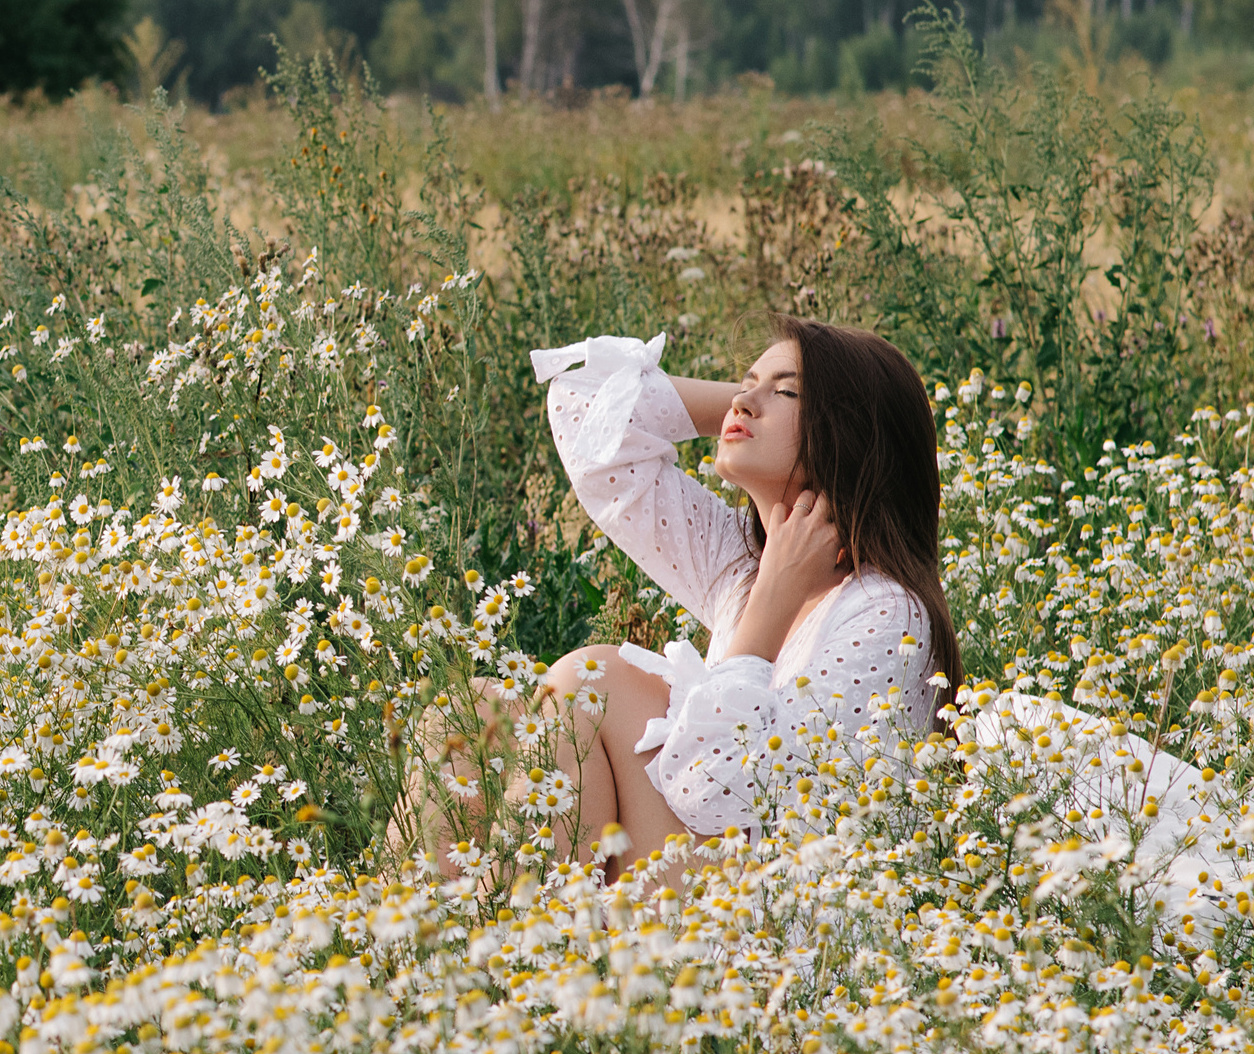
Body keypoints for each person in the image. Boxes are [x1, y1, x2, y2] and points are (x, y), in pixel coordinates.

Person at [409, 317, 961, 878]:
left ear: (851, 433)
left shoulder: (886, 612)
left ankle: (520, 927)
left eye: (788, 392)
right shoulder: (742, 564)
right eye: (745, 384)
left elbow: (722, 790)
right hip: (704, 868)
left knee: (595, 683)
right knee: (470, 710)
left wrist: (775, 596)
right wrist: (755, 407)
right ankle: (414, 926)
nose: (742, 401)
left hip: (773, 910)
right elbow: (588, 411)